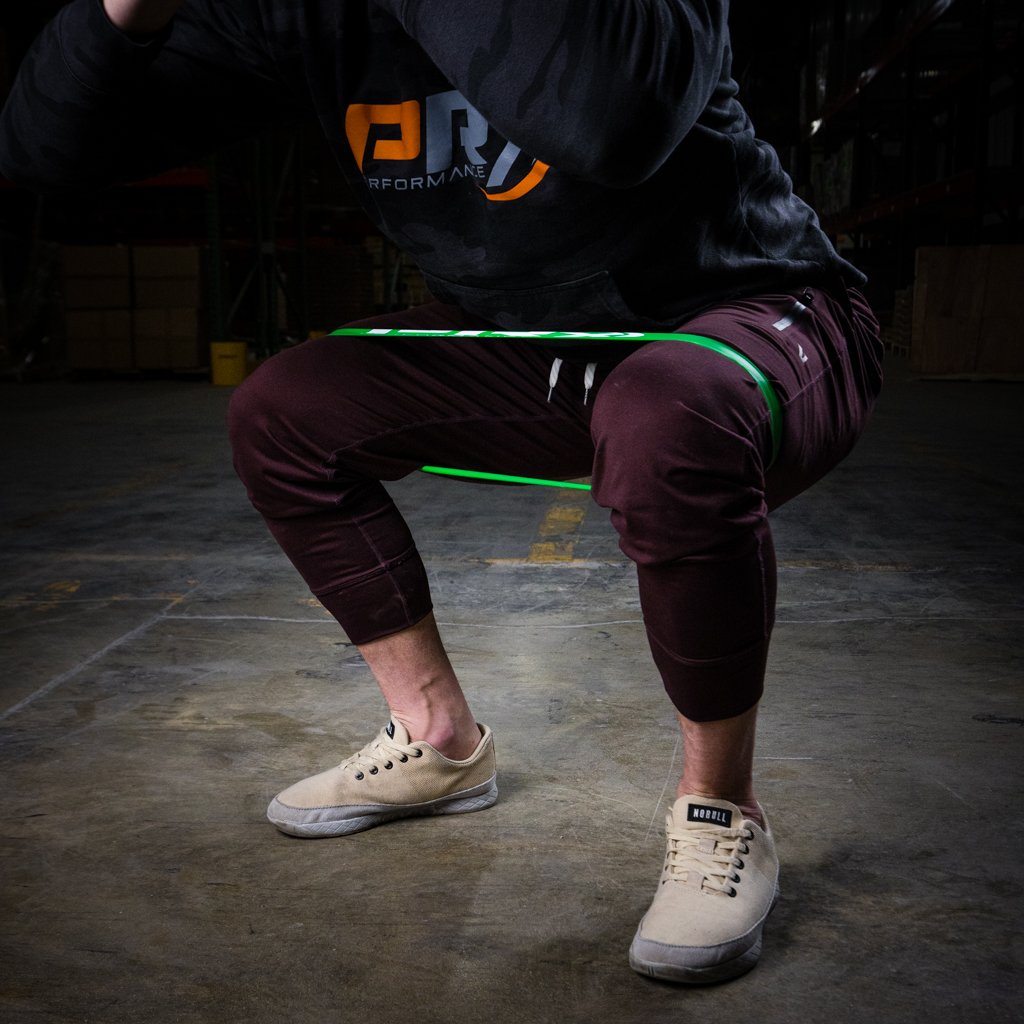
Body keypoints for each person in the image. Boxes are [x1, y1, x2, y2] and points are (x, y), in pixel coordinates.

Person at [0, 0, 883, 984]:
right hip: (537, 349)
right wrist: (124, 12)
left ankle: (722, 812)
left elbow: (611, 121)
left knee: (665, 415)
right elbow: (44, 154)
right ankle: (437, 739)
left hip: (751, 310)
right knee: (283, 412)